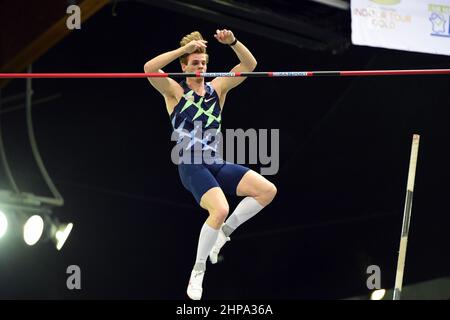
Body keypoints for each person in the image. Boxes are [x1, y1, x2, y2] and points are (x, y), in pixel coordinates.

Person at [144, 29, 277, 300]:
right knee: (220, 209)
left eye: (203, 62)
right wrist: (184, 49)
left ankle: (223, 235)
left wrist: (234, 43)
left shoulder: (218, 87)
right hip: (190, 164)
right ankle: (198, 271)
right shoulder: (174, 91)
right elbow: (149, 68)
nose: (200, 67)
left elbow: (250, 66)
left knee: (267, 191)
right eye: (195, 63)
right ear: (184, 66)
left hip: (215, 162)